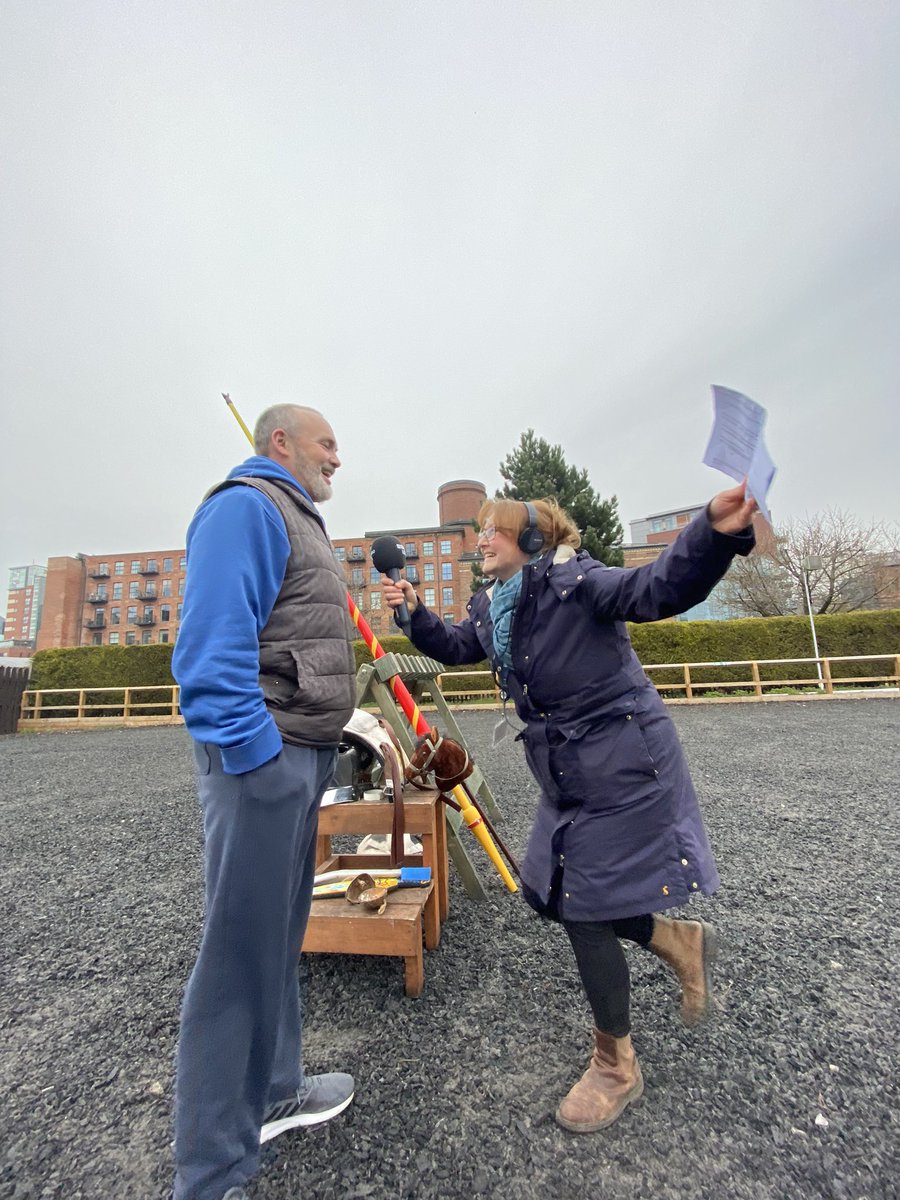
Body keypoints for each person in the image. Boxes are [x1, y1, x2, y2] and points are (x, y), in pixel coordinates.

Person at [382, 483, 756, 1134]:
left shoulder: (575, 580)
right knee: (544, 891)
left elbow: (656, 589)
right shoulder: (495, 603)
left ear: (533, 541)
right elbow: (459, 646)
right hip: (567, 765)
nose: (482, 540)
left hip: (625, 757)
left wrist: (711, 532)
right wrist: (415, 613)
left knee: (583, 903)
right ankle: (676, 940)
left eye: (495, 530)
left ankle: (616, 1066)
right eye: (480, 531)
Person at [171, 404, 357, 1200]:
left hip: (303, 757)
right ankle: (211, 1174)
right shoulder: (245, 506)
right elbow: (210, 655)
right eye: (327, 442)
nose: (338, 458)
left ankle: (276, 1090)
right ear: (280, 441)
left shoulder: (299, 517)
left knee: (279, 938)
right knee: (237, 963)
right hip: (265, 762)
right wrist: (261, 756)